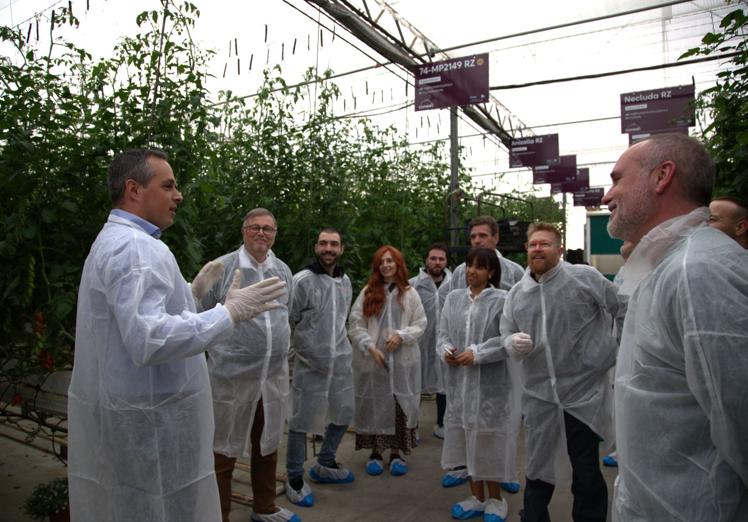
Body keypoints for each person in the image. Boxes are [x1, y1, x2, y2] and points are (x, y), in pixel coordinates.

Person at [68, 149, 286, 522]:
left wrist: (190, 293)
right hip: (149, 415)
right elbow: (149, 337)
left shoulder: (120, 240)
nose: (178, 195)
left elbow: (136, 316)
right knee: (157, 504)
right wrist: (227, 313)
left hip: (132, 406)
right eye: (168, 185)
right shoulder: (134, 247)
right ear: (134, 189)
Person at [601, 133, 748, 520]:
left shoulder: (697, 272)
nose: (606, 196)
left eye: (617, 179)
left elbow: (740, 422)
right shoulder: (667, 268)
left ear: (662, 176)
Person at [501, 222, 624, 522]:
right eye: (532, 245)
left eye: (544, 244)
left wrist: (612, 350)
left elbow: (620, 307)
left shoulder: (584, 278)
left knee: (584, 466)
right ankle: (533, 516)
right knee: (537, 464)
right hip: (540, 395)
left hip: (582, 393)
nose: (537, 249)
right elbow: (505, 329)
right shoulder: (518, 293)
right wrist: (511, 342)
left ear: (559, 248)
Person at [197, 208, 297, 522]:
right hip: (231, 378)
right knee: (224, 450)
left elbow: (287, 313)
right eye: (255, 227)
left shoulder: (282, 270)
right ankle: (220, 514)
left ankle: (264, 506)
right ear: (243, 231)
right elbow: (200, 314)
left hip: (272, 377)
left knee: (266, 442)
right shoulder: (223, 268)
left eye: (268, 229)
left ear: (275, 234)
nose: (261, 234)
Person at [438, 215, 524, 490]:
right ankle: (473, 479)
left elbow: (510, 333)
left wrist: (479, 353)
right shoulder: (456, 291)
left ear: (495, 237)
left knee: (495, 432)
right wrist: (446, 349)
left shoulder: (512, 276)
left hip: (496, 374)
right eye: (473, 237)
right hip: (461, 378)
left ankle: (501, 475)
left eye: (482, 236)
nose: (477, 241)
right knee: (467, 430)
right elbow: (445, 327)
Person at [285, 228, 355, 508]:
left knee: (344, 412)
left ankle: (324, 462)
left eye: (334, 244)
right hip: (309, 364)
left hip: (339, 362)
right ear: (316, 247)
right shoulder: (301, 281)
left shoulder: (345, 281)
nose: (329, 248)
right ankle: (294, 477)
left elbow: (340, 320)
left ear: (342, 249)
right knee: (301, 421)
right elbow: (288, 320)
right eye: (324, 243)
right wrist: (300, 352)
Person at [348, 245, 427, 477]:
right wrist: (369, 347)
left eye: (390, 261)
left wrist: (401, 336)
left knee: (399, 406)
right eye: (382, 262)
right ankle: (375, 452)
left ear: (398, 264)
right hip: (374, 363)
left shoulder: (409, 293)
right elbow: (355, 324)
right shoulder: (368, 292)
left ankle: (396, 453)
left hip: (402, 362)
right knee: (375, 405)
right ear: (377, 266)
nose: (386, 265)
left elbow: (421, 323)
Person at [409, 242, 452, 440]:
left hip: (445, 341)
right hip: (419, 343)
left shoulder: (454, 285)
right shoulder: (413, 285)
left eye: (441, 259)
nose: (437, 262)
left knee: (445, 383)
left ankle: (442, 424)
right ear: (426, 260)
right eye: (433, 258)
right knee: (414, 384)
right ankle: (412, 426)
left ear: (446, 262)